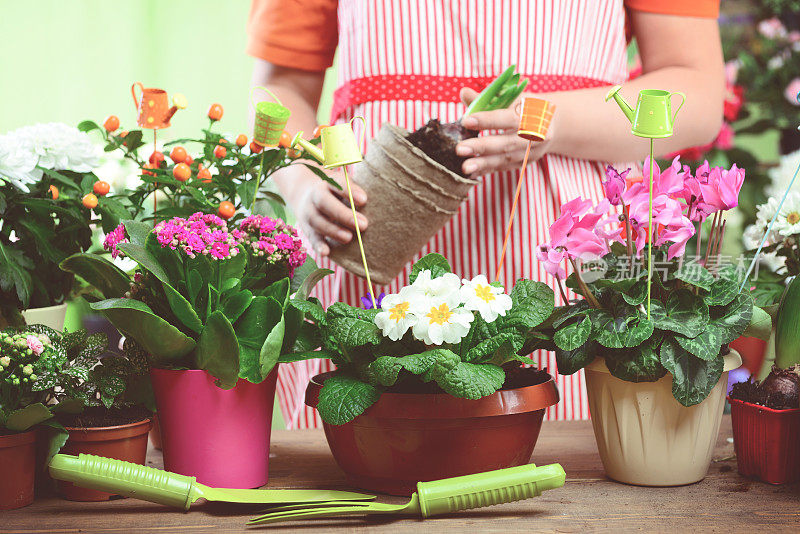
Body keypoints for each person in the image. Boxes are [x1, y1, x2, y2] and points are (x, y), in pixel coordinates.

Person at [247, 0, 725, 429]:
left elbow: (697, 93)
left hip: (564, 244)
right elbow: (279, 86)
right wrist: (301, 181)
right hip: (369, 229)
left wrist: (551, 121)